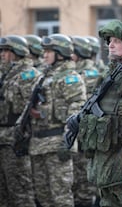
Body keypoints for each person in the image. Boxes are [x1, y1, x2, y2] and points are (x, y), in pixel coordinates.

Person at [66, 19, 122, 207]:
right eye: (109, 41)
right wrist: (80, 118)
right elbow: (94, 104)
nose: (110, 45)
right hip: (104, 157)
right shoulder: (110, 75)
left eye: (116, 41)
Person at [27, 33, 86, 207]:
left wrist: (67, 142)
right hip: (38, 144)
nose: (44, 55)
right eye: (44, 51)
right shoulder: (44, 76)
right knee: (43, 195)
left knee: (61, 196)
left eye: (49, 51)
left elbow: (77, 109)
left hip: (56, 142)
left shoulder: (70, 77)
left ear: (60, 52)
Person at [0, 35, 38, 207]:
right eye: (2, 51)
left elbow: (29, 108)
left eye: (7, 51)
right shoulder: (5, 74)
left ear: (18, 52)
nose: (2, 54)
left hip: (15, 139)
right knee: (3, 192)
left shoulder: (28, 75)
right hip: (2, 137)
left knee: (21, 191)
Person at [70, 35, 101, 207]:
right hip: (80, 133)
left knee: (84, 184)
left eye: (73, 52)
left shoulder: (88, 74)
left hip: (86, 136)